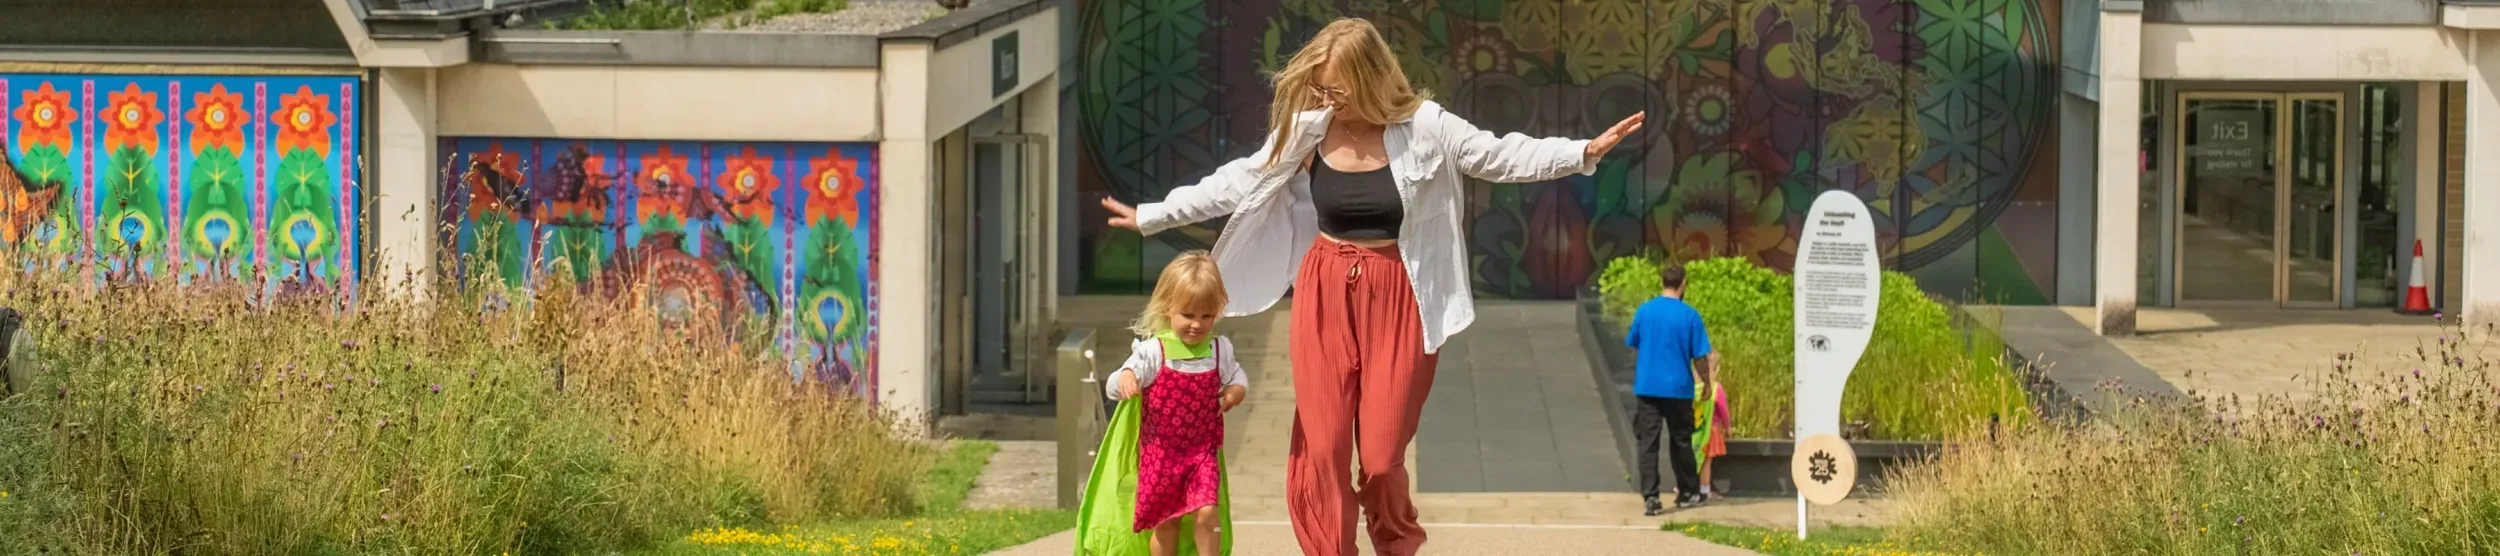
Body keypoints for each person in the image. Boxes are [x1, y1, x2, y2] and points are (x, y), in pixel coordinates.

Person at [1097, 16, 1644, 556]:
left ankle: (1395, 542)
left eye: (1337, 86)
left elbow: (1498, 154)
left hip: (1400, 296)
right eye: (1320, 87)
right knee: (1326, 447)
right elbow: (1235, 181)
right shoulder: (1309, 131)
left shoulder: (1427, 126)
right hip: (1325, 291)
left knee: (1381, 456)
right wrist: (1153, 214)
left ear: (1369, 76)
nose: (1327, 97)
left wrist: (1581, 153)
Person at [1100, 251, 1249, 556]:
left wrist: (1235, 391)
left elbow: (1238, 377)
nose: (1197, 324)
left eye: (1206, 316)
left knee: (1208, 512)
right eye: (1188, 315)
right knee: (1165, 523)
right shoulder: (1153, 352)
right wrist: (1127, 377)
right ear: (1168, 308)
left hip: (1201, 453)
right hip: (1160, 454)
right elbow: (1114, 384)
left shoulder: (1218, 351)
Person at [1626, 262, 1717, 516]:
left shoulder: (1645, 311)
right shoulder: (1689, 315)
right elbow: (1700, 356)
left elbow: (1634, 342)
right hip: (1678, 388)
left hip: (1648, 387)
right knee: (1681, 441)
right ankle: (1687, 492)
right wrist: (1706, 384)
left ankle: (1651, 498)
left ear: (1662, 282)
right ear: (1683, 284)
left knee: (1648, 443)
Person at [1694, 375, 1730, 502]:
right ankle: (1705, 490)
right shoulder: (1716, 388)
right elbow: (1723, 410)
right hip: (1711, 429)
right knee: (1706, 461)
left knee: (1692, 459)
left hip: (1694, 430)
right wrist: (1727, 427)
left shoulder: (1692, 387)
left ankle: (1684, 487)